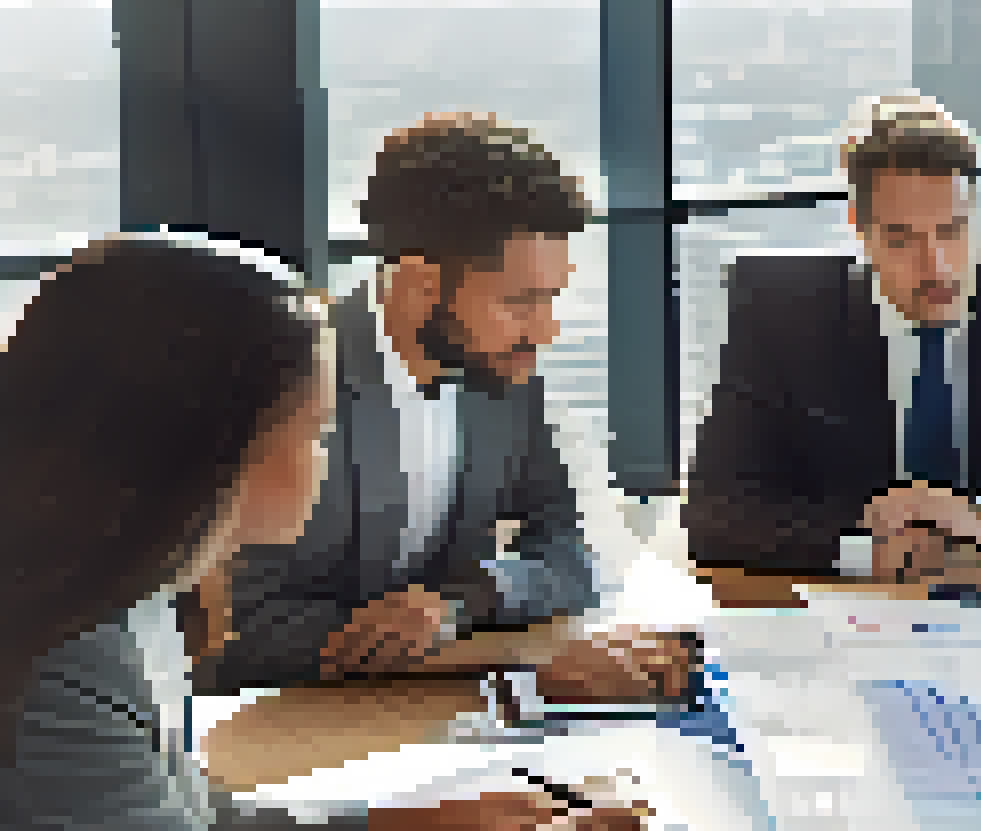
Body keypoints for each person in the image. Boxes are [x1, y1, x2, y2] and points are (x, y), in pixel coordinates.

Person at [0, 235, 648, 831]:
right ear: (210, 445)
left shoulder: (131, 593)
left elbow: (199, 823)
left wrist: (428, 825)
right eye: (310, 428)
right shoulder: (67, 649)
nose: (328, 450)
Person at [193, 112, 690, 701]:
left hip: (442, 719)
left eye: (551, 299)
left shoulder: (502, 369)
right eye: (521, 302)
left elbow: (570, 553)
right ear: (418, 285)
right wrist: (499, 654)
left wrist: (459, 602)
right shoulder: (287, 384)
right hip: (291, 724)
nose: (545, 329)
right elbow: (245, 634)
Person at [684, 93, 981, 583]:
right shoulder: (780, 309)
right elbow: (717, 511)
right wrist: (865, 544)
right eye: (903, 239)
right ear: (859, 228)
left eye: (953, 230)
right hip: (849, 625)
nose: (937, 267)